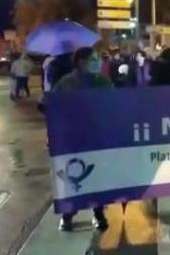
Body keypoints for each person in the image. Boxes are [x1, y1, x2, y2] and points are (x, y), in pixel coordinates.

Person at [53, 47, 112, 231]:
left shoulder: (103, 82)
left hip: (96, 136)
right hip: (73, 138)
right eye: (93, 59)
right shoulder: (66, 83)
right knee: (73, 177)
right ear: (80, 62)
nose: (97, 62)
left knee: (97, 176)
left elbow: (116, 105)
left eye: (97, 58)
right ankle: (68, 214)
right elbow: (47, 105)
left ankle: (98, 212)